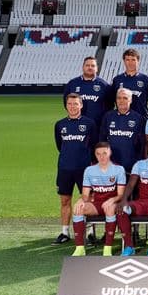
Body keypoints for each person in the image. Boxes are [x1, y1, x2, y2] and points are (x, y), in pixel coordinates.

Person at [53, 93, 98, 245]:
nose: (72, 107)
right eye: (70, 104)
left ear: (81, 105)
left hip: (84, 169)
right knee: (65, 200)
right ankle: (65, 232)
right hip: (65, 168)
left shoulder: (89, 124)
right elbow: (60, 146)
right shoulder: (60, 125)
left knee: (88, 199)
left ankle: (90, 232)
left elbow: (94, 146)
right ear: (66, 105)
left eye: (75, 104)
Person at [70, 142, 126, 256]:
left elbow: (121, 194)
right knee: (78, 208)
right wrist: (81, 200)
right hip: (96, 204)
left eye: (105, 153)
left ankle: (107, 248)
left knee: (110, 208)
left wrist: (112, 200)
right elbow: (86, 195)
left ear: (110, 152)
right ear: (95, 155)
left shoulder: (119, 170)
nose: (102, 156)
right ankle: (80, 247)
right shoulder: (89, 170)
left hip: (113, 204)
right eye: (98, 154)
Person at [99, 88, 144, 170]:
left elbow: (142, 143)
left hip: (131, 164)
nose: (121, 101)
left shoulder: (138, 118)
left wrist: (139, 161)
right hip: (111, 164)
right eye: (119, 98)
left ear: (131, 100)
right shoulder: (108, 116)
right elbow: (102, 139)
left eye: (125, 98)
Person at [64, 56, 111, 128]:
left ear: (97, 68)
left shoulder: (104, 85)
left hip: (97, 126)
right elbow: (66, 102)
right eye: (87, 65)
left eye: (93, 66)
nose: (90, 67)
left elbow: (110, 106)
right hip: (76, 125)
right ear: (83, 67)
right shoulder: (72, 83)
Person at [111, 48, 148, 119]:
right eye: (127, 60)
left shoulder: (146, 80)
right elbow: (112, 101)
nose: (130, 63)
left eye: (133, 60)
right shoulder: (117, 80)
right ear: (124, 61)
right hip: (121, 119)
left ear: (138, 61)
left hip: (141, 119)